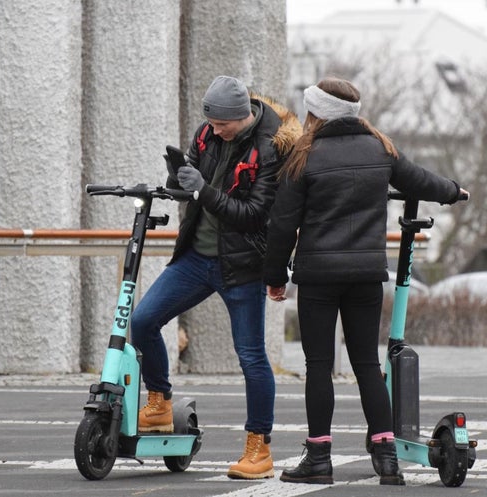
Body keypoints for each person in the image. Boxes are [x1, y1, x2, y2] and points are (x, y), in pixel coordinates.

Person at [263, 77, 469, 486]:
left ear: (315, 112)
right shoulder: (380, 147)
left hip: (319, 278)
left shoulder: (304, 156)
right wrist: (452, 191)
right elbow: (418, 179)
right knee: (368, 366)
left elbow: (282, 225)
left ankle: (319, 457)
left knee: (319, 367)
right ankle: (387, 456)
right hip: (366, 275)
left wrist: (275, 277)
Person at [130, 75, 300, 480]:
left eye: (221, 124)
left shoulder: (269, 147)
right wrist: (178, 179)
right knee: (142, 320)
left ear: (241, 117)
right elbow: (192, 180)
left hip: (241, 267)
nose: (212, 130)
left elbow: (252, 215)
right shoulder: (207, 133)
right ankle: (159, 403)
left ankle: (258, 449)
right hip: (195, 257)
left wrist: (202, 189)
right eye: (209, 123)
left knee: (251, 357)